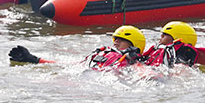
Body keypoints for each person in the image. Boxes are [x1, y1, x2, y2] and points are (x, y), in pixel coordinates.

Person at [8, 25, 145, 70]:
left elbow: (144, 72)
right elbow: (73, 65)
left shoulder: (131, 62)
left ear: (133, 46)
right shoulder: (104, 53)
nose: (116, 42)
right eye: (116, 39)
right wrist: (34, 59)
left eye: (122, 40)